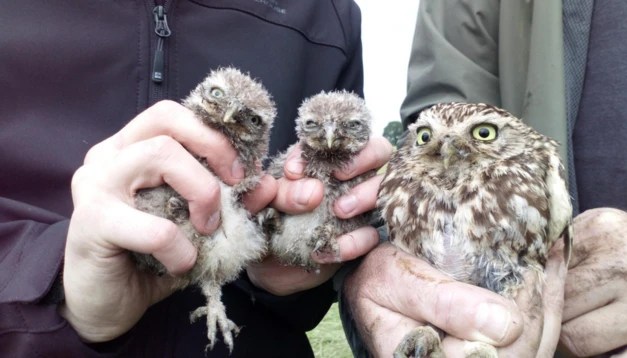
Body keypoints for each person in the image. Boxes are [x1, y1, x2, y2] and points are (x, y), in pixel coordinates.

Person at [0, 1, 391, 357]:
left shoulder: (326, 17)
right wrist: (53, 285)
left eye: (248, 119)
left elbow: (321, 286)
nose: (227, 118)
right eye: (219, 99)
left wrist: (286, 265)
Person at [340, 0, 627, 357]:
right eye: (426, 138)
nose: (447, 148)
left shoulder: (539, 166)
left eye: (482, 134)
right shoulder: (403, 184)